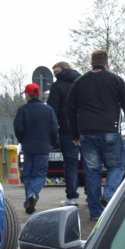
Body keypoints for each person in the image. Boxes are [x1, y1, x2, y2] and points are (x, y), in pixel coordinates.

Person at [65, 50, 125, 221]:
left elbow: (70, 109)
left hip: (87, 134)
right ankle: (110, 194)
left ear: (91, 63)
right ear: (107, 63)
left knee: (92, 172)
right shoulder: (116, 80)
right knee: (117, 166)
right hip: (110, 131)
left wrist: (75, 134)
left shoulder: (79, 82)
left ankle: (96, 213)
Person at [13, 83, 59, 214]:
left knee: (28, 174)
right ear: (38, 95)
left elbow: (18, 128)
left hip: (28, 147)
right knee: (39, 175)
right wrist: (52, 143)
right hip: (43, 147)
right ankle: (32, 195)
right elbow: (54, 128)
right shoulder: (48, 110)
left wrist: (23, 140)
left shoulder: (23, 110)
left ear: (27, 95)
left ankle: (29, 198)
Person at [47, 60, 82, 206]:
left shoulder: (57, 86)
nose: (55, 75)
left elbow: (52, 110)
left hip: (67, 129)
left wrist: (54, 130)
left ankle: (72, 197)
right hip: (86, 127)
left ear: (62, 71)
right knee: (91, 164)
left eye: (56, 72)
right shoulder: (81, 82)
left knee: (70, 163)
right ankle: (94, 198)